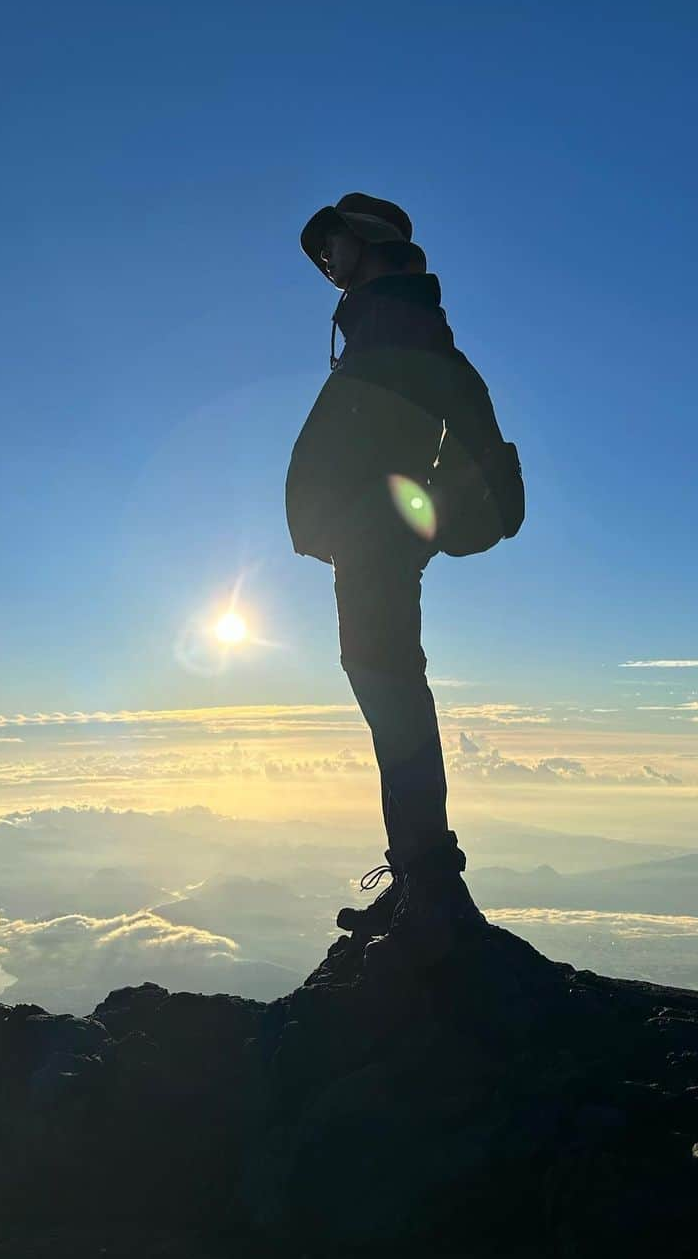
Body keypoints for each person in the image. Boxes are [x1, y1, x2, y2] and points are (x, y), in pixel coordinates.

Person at [286, 192, 503, 970]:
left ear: (371, 241)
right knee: (385, 689)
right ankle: (417, 877)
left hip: (377, 545)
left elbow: (466, 427)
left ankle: (430, 888)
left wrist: (411, 526)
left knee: (392, 690)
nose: (326, 263)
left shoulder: (403, 325)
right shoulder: (383, 324)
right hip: (368, 544)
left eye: (335, 246)